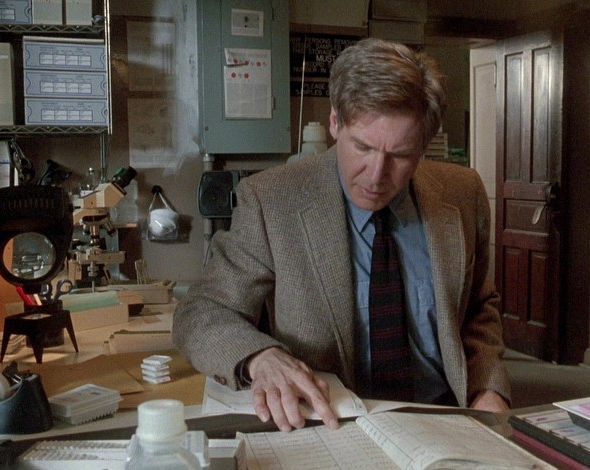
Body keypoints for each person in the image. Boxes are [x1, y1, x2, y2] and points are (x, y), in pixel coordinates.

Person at [173, 38, 510, 432]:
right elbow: (201, 312)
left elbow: (478, 308)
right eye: (362, 147)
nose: (376, 175)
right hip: (332, 425)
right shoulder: (271, 201)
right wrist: (261, 358)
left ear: (424, 145)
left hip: (443, 419)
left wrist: (488, 388)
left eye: (401, 155)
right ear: (335, 123)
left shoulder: (463, 193)